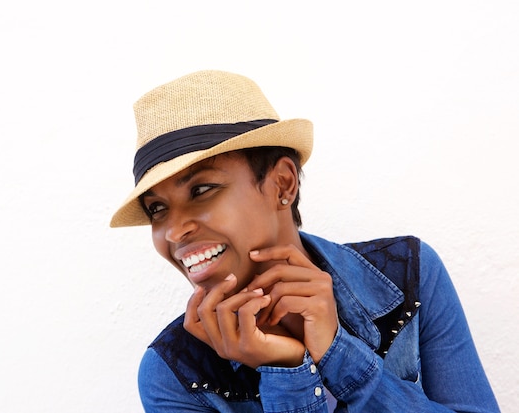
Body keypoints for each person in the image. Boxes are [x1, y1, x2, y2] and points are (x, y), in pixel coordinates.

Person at [110, 70, 500, 412]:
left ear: (283, 183)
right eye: (157, 209)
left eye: (202, 189)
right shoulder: (175, 373)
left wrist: (339, 354)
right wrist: (286, 368)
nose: (174, 231)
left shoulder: (409, 276)